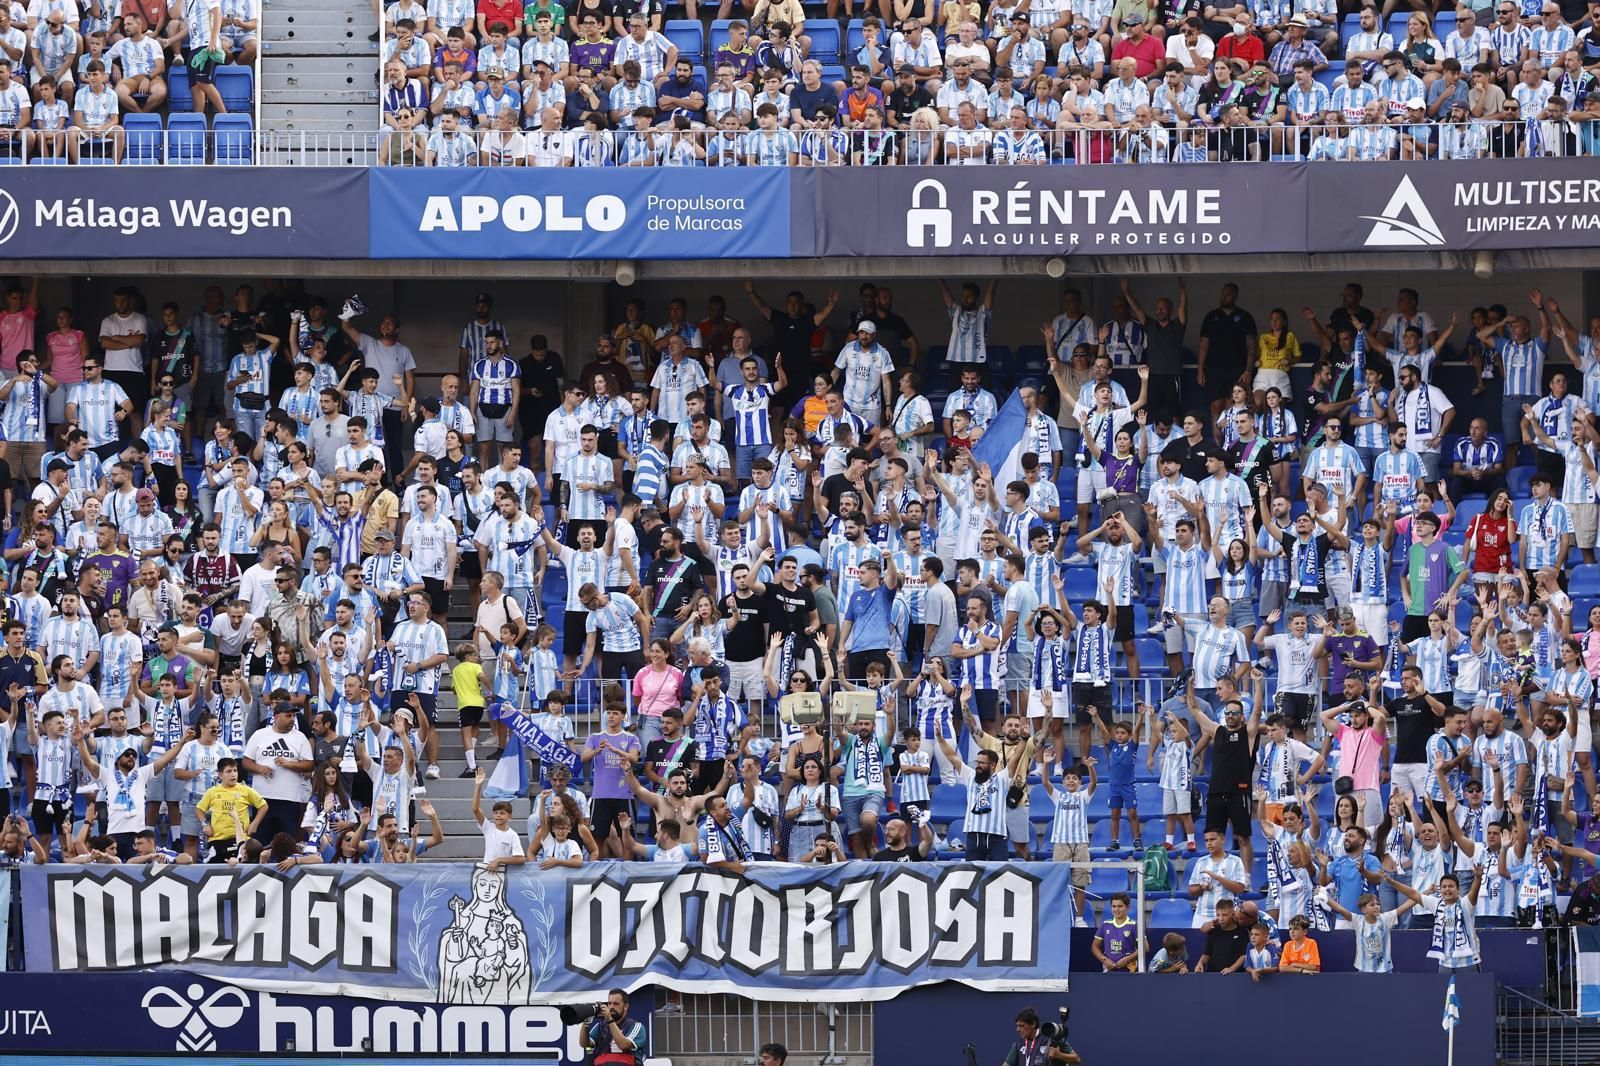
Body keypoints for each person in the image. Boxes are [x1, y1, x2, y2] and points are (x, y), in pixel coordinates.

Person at [579, 989, 646, 1065]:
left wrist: (610, 1020)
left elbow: (624, 1045)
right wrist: (585, 1023)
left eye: (616, 1004)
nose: (611, 1007)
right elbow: (584, 1044)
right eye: (609, 1003)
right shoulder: (601, 1026)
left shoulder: (635, 1026)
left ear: (626, 1006)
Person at [1003, 1007, 1080, 1066]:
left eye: (1022, 1026)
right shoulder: (1018, 1044)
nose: (1018, 1030)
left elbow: (1077, 1059)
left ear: (1033, 1024)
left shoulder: (1051, 1037)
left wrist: (1059, 1055)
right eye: (1017, 1026)